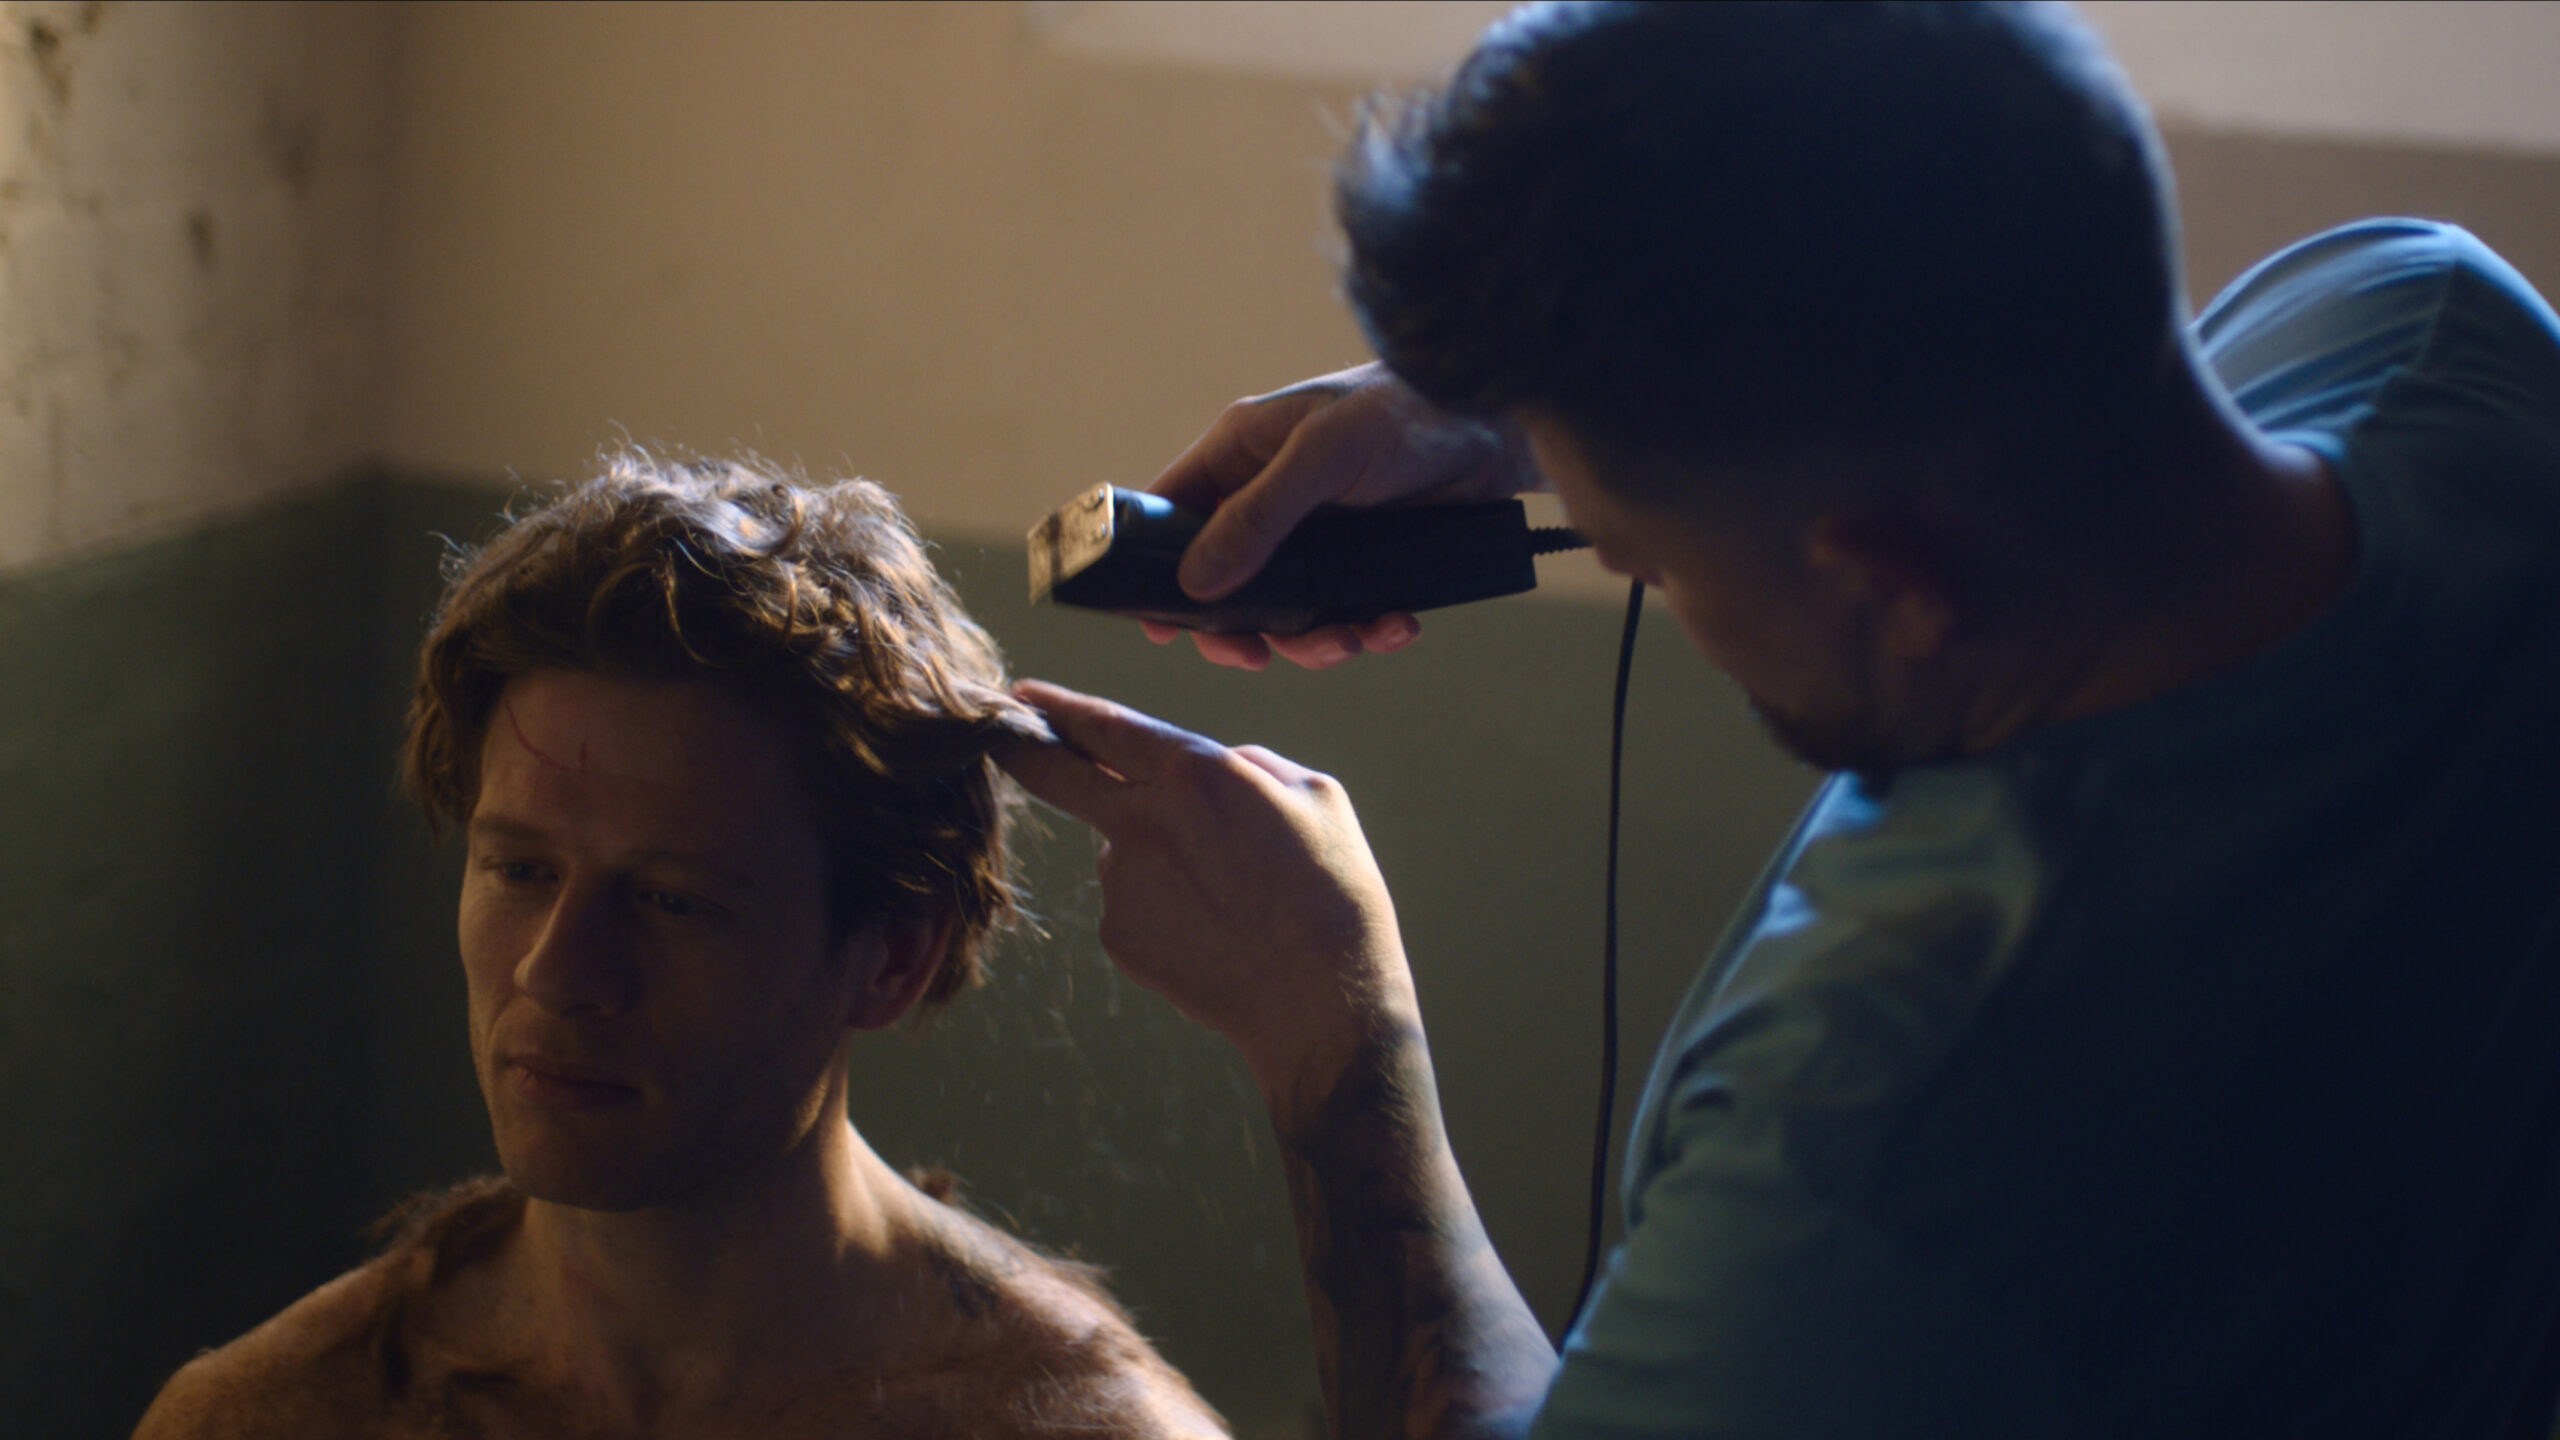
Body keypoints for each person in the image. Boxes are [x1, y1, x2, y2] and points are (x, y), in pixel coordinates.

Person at [997, 3, 2560, 1437]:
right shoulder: (2424, 331)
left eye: (1647, 557)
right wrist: (1551, 406)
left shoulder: (1893, 1156)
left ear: (1891, 583)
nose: (1638, 579)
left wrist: (1328, 1028)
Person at [135, 454, 1226, 1438]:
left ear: (890, 959)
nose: (555, 973)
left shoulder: (1071, 1425)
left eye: (670, 901)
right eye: (520, 871)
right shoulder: (280, 1415)